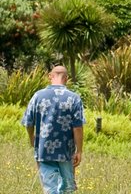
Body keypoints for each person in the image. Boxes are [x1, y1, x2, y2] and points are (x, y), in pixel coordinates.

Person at [21, 65, 85, 194]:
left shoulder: (38, 96)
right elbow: (77, 127)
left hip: (44, 150)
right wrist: (79, 151)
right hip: (66, 151)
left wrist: (32, 138)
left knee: (50, 189)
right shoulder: (74, 98)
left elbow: (28, 122)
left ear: (50, 76)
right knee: (67, 188)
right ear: (66, 78)